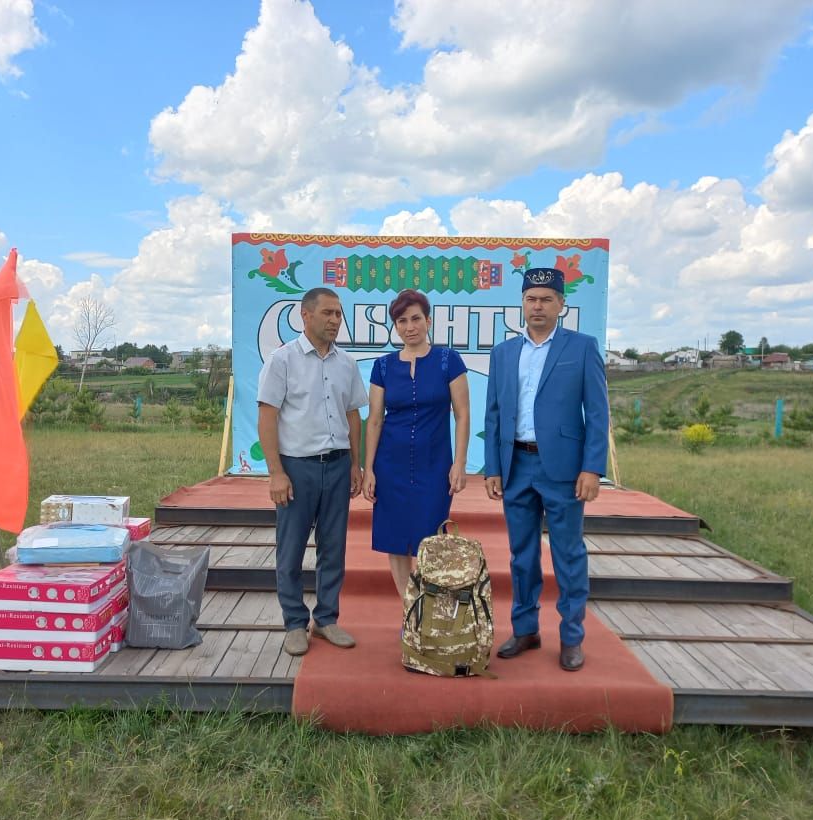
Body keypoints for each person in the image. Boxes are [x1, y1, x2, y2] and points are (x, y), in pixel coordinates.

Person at [483, 267, 609, 672]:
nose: (537, 306)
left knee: (568, 554)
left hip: (564, 470)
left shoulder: (582, 348)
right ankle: (525, 629)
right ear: (522, 303)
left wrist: (592, 468)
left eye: (546, 300)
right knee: (521, 555)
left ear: (561, 305)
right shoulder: (504, 353)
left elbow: (598, 413)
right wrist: (492, 467)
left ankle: (572, 637)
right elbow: (495, 412)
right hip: (517, 464)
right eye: (531, 299)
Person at [257, 287, 368, 657]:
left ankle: (326, 619)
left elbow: (353, 414)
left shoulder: (347, 364)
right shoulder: (282, 361)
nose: (335, 320)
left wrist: (355, 463)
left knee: (333, 548)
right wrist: (276, 473)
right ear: (305, 316)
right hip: (296, 468)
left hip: (337, 467)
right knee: (290, 551)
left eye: (339, 314)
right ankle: (293, 622)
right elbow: (268, 417)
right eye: (327, 313)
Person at [363, 289, 470, 594]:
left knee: (430, 537)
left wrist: (459, 463)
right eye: (401, 320)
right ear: (394, 326)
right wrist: (368, 469)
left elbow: (462, 415)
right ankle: (409, 611)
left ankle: (431, 608)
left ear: (428, 321)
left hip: (435, 464)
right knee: (395, 540)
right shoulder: (382, 366)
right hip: (390, 466)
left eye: (415, 319)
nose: (409, 326)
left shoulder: (449, 360)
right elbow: (374, 420)